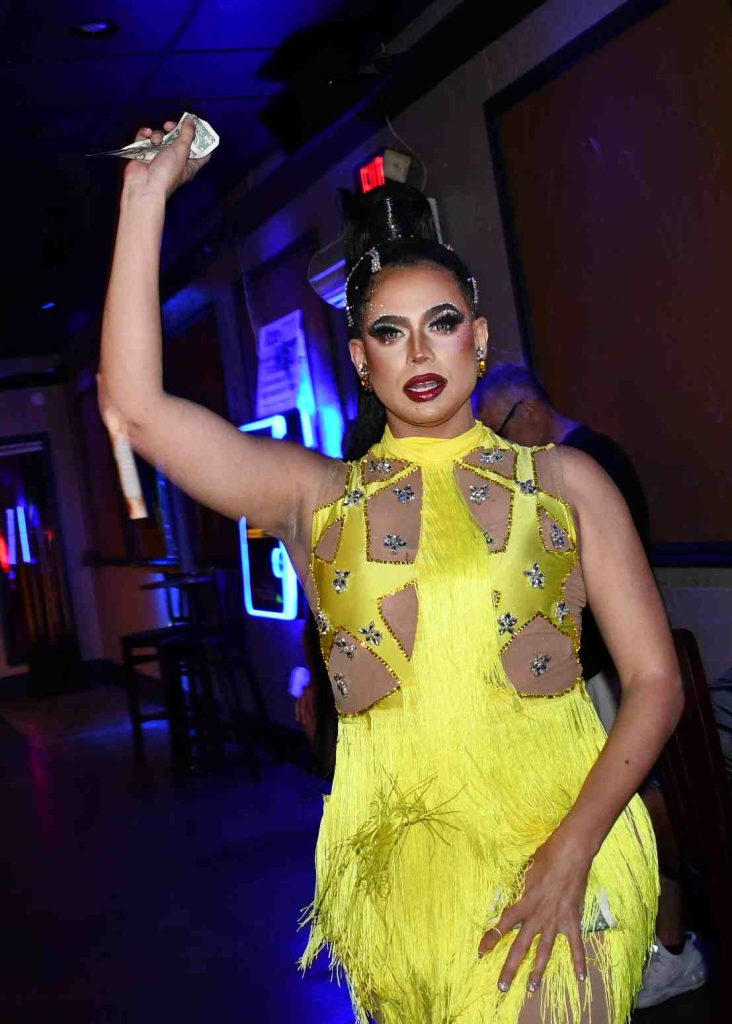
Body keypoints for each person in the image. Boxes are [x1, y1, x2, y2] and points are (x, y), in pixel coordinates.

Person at [99, 121, 683, 1024]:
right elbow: (137, 409)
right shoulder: (316, 498)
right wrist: (145, 198)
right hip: (400, 878)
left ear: (477, 339)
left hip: (565, 849)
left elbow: (654, 683)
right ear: (361, 361)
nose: (419, 353)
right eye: (389, 332)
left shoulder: (567, 481)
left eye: (441, 324)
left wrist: (570, 854)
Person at [475, 365, 707, 1008]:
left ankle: (668, 948)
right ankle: (665, 948)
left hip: (610, 665)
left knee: (634, 809)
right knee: (637, 804)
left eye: (499, 431)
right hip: (609, 661)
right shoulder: (587, 458)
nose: (499, 449)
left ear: (527, 411)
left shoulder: (584, 465)